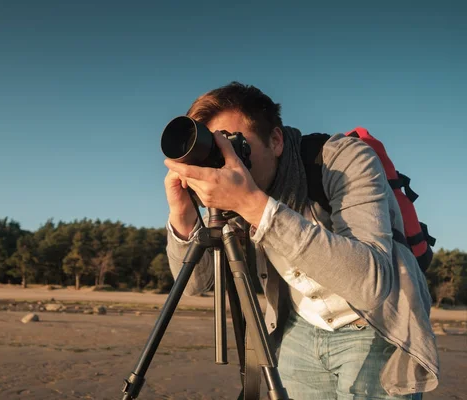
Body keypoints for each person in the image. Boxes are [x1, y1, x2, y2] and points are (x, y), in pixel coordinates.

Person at [163, 82, 439, 399]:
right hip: (299, 327)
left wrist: (252, 204)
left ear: (276, 140)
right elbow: (196, 284)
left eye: (232, 144)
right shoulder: (232, 198)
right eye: (215, 150)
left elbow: (372, 284)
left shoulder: (344, 161)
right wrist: (182, 213)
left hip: (374, 325)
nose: (227, 163)